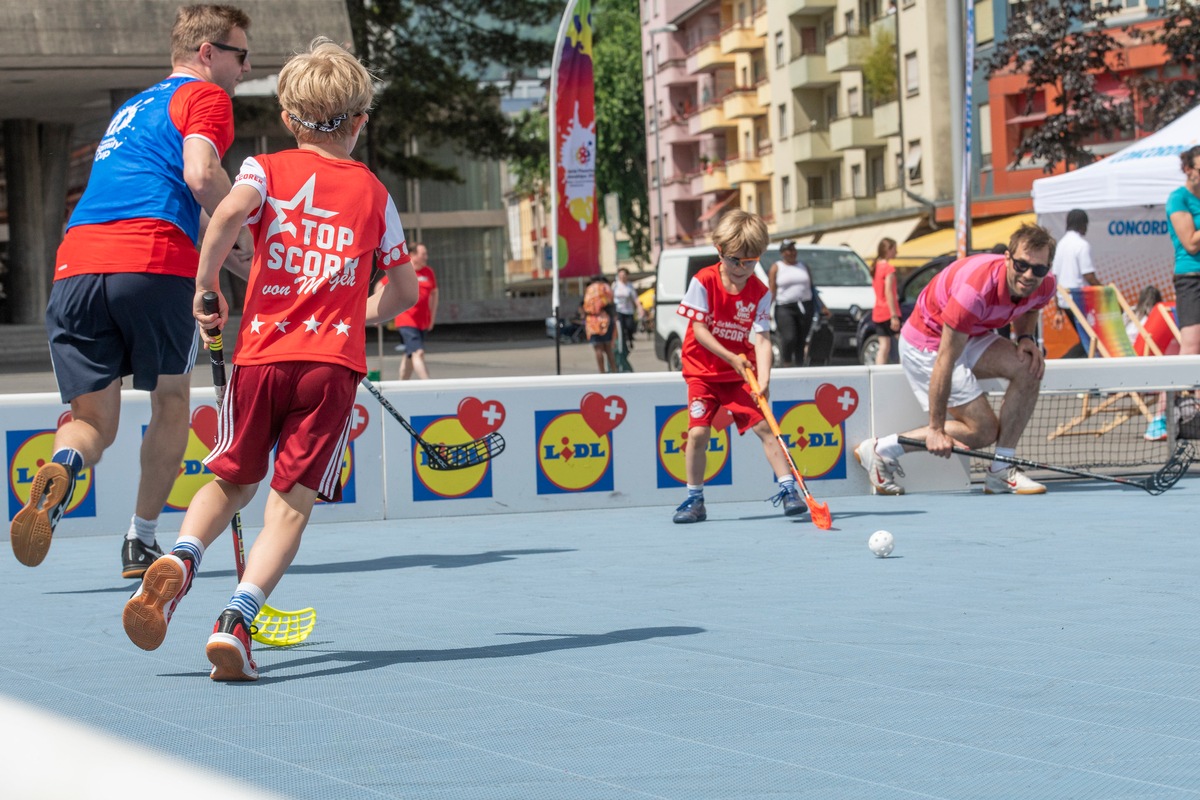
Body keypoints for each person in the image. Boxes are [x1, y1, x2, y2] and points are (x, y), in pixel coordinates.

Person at [121, 37, 418, 681]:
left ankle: (182, 556)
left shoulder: (264, 170)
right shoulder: (375, 195)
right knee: (289, 506)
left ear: (287, 119)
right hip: (330, 367)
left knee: (230, 480)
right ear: (361, 122)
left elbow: (225, 217)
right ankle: (235, 621)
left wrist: (207, 294)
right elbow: (402, 292)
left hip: (259, 357)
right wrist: (356, 315)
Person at [11, 5, 253, 577]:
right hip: (151, 260)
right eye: (241, 55)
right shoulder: (207, 97)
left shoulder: (131, 107)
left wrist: (232, 248)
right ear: (207, 53)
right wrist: (251, 233)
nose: (245, 68)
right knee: (170, 399)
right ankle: (141, 539)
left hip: (75, 265)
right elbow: (201, 175)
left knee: (92, 422)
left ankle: (65, 465)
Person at [854, 223, 1058, 496]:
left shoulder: (1044, 285)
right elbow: (945, 360)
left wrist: (1025, 339)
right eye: (1021, 265)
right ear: (1008, 258)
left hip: (973, 334)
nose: (1029, 275)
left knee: (1029, 368)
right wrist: (936, 429)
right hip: (928, 343)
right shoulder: (975, 291)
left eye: (1039, 269)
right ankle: (880, 449)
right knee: (983, 431)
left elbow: (1029, 307)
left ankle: (1001, 469)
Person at [672, 210, 807, 524]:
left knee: (766, 428)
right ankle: (695, 499)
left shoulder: (759, 291)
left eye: (751, 261)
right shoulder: (703, 281)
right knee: (698, 434)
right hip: (702, 372)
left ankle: (789, 490)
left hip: (739, 374)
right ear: (720, 251)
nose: (743, 269)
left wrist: (764, 378)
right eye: (736, 261)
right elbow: (700, 331)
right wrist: (731, 357)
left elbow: (762, 339)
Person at [768, 239, 825, 367]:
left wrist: (822, 306)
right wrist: (766, 309)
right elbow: (772, 290)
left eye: (794, 249)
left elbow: (812, 288)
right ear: (783, 253)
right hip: (785, 307)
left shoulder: (803, 266)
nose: (792, 252)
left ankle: (800, 365)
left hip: (805, 305)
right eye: (789, 250)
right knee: (789, 337)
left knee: (801, 339)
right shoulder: (777, 267)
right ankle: (787, 362)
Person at [1166, 145, 1200, 358]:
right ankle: (1182, 392)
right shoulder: (1178, 198)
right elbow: (1191, 243)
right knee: (1192, 345)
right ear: (1188, 169)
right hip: (1192, 278)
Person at [1051, 208, 1099, 358]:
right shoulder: (1081, 245)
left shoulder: (1061, 245)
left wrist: (1057, 309)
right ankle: (1062, 363)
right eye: (1086, 224)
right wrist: (1104, 290)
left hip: (1064, 301)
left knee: (1087, 340)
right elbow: (1088, 275)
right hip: (1078, 300)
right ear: (1082, 224)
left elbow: (1055, 278)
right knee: (1090, 340)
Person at [394, 243, 438, 379]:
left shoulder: (428, 272)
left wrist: (432, 317)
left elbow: (435, 294)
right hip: (406, 320)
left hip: (422, 321)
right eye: (423, 254)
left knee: (409, 355)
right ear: (412, 255)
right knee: (418, 352)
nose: (426, 257)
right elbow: (381, 285)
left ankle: (402, 384)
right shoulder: (405, 271)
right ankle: (428, 385)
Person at [868, 237, 901, 365]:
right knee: (902, 342)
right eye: (894, 249)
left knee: (884, 346)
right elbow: (889, 292)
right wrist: (894, 315)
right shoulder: (889, 269)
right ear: (888, 250)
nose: (896, 252)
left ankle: (878, 373)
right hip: (889, 311)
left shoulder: (876, 267)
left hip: (878, 311)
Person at [583, 275, 616, 374]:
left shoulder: (589, 289)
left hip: (592, 321)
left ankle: (601, 372)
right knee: (608, 348)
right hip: (605, 319)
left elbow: (586, 306)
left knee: (598, 349)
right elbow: (611, 301)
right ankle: (614, 370)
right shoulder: (605, 287)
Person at [612, 267, 640, 350]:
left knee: (630, 326)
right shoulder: (615, 285)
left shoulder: (630, 286)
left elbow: (635, 298)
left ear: (627, 276)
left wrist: (639, 307)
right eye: (620, 275)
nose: (622, 277)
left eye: (624, 275)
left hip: (628, 310)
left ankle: (630, 340)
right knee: (621, 328)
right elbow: (611, 297)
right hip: (618, 310)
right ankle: (623, 345)